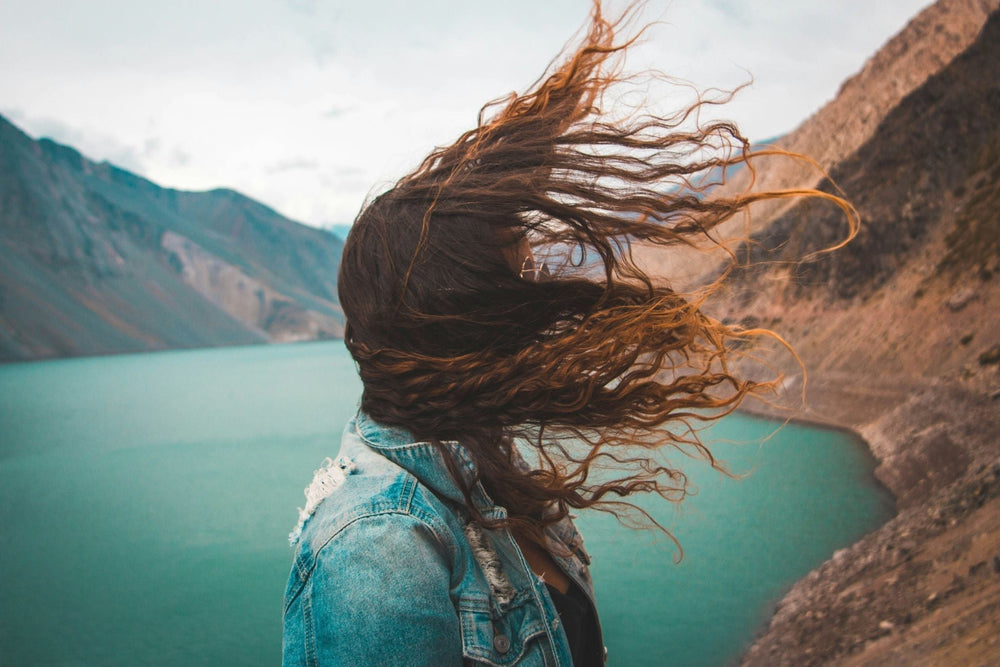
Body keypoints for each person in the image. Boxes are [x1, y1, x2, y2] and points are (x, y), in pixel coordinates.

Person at [281, 2, 856, 665]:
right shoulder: (378, 546)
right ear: (454, 322)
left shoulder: (482, 467)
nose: (535, 303)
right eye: (512, 283)